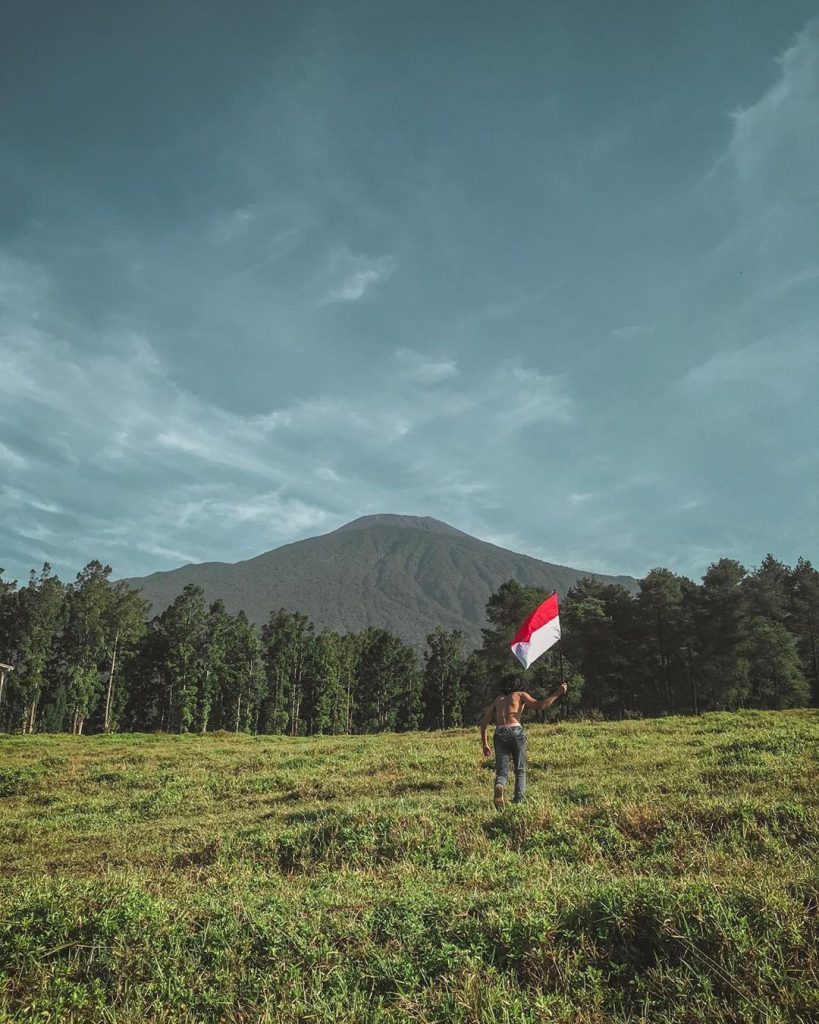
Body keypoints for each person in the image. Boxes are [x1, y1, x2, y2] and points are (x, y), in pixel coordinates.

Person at [480, 674, 568, 808]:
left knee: (502, 771)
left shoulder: (498, 700)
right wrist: (558, 692)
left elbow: (484, 722)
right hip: (515, 731)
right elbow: (541, 705)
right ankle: (518, 801)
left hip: (499, 733)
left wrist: (485, 744)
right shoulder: (520, 695)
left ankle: (500, 784)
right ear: (519, 685)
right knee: (520, 769)